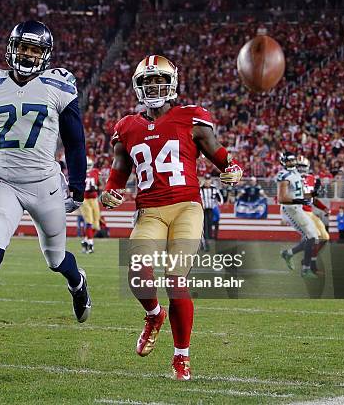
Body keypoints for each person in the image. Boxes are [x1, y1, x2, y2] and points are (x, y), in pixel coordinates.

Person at [0, 20, 91, 372]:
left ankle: (78, 282)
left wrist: (78, 185)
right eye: (23, 47)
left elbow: (75, 142)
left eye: (35, 49)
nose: (28, 54)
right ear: (12, 48)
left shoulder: (59, 84)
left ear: (45, 54)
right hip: (6, 184)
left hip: (46, 185)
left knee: (56, 259)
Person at [100, 55, 243, 380]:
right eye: (147, 81)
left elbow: (217, 152)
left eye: (158, 80)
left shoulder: (191, 117)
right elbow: (120, 170)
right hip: (148, 210)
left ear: (171, 83)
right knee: (136, 270)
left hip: (185, 208)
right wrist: (111, 190)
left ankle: (181, 356)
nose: (153, 86)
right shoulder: (127, 126)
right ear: (138, 86)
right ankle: (153, 315)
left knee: (177, 280)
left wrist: (232, 168)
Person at [277, 152, 318, 278]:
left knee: (314, 237)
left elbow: (300, 195)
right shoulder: (284, 175)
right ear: (284, 162)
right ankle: (305, 270)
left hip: (298, 208)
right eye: (289, 161)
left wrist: (313, 194)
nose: (292, 163)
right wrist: (299, 201)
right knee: (310, 237)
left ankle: (288, 253)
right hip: (291, 210)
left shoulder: (296, 174)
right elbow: (282, 198)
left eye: (293, 160)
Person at [80, 157, 101, 253]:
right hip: (84, 199)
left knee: (96, 224)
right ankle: (90, 243)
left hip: (94, 199)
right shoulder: (80, 173)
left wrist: (96, 188)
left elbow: (99, 184)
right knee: (89, 221)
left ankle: (85, 240)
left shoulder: (96, 172)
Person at [199, 176, 223, 249]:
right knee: (204, 226)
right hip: (203, 210)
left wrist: (219, 203)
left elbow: (220, 199)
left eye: (208, 180)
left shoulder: (214, 189)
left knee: (209, 225)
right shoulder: (200, 189)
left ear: (210, 181)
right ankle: (204, 242)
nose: (207, 182)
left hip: (211, 209)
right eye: (206, 180)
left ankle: (208, 240)